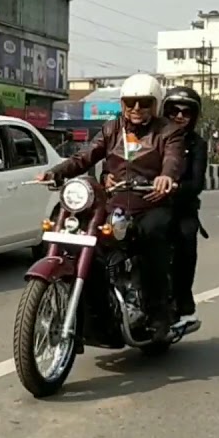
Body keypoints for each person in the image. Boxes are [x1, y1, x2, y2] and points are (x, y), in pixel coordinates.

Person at [36, 73, 184, 340]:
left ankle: (158, 314)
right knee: (80, 238)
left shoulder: (168, 132)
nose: (136, 109)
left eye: (144, 102)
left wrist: (166, 177)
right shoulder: (112, 128)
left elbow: (172, 160)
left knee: (152, 239)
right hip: (114, 203)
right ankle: (94, 310)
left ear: (156, 104)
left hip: (150, 204)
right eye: (130, 103)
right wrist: (56, 172)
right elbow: (85, 156)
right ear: (122, 104)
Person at [161, 85, 208, 331]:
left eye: (185, 112)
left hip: (180, 207)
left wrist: (172, 188)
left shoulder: (197, 145)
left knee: (185, 239)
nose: (179, 116)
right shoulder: (151, 137)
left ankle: (183, 303)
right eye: (173, 110)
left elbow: (196, 183)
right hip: (144, 203)